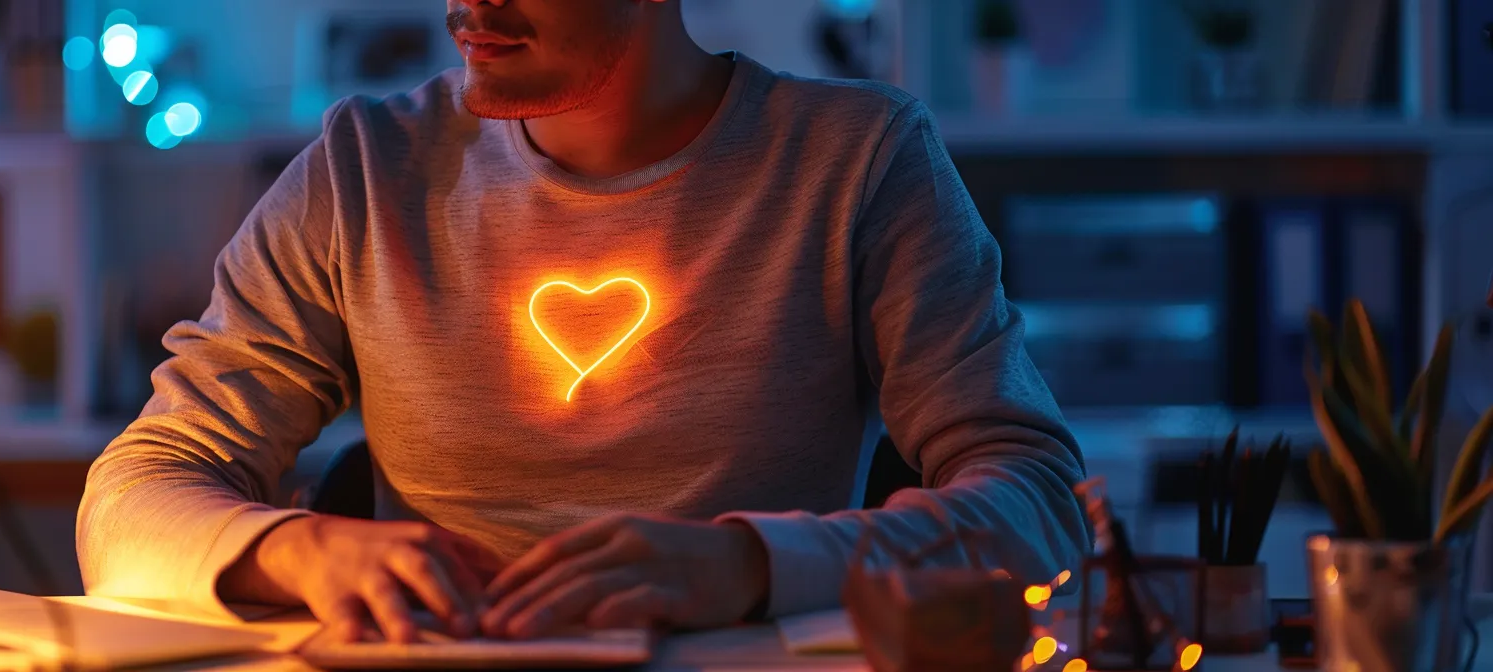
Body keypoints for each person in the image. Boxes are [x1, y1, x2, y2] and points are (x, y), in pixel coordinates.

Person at [77, 0, 1091, 644]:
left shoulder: (857, 162)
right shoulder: (363, 176)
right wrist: (297, 550)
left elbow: (1040, 511)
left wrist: (747, 565)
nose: (469, 4)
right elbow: (129, 500)